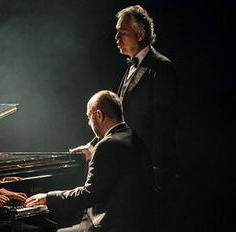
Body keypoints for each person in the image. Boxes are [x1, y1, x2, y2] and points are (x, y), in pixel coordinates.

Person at [71, 5, 180, 232]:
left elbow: (163, 126)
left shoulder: (161, 67)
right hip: (132, 168)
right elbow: (120, 119)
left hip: (149, 171)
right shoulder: (131, 67)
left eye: (123, 32)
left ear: (140, 34)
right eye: (117, 31)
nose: (116, 37)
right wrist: (94, 144)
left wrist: (156, 173)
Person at [25, 90, 153, 232]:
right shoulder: (135, 139)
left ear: (99, 115)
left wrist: (48, 198)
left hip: (109, 226)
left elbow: (88, 195)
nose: (88, 123)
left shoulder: (106, 145)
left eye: (88, 117)